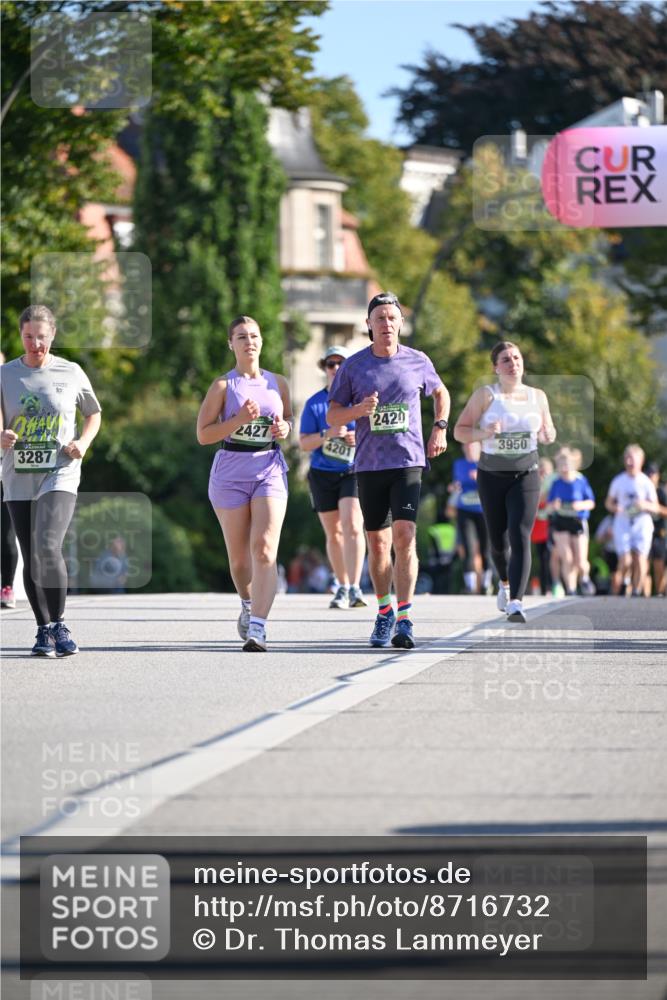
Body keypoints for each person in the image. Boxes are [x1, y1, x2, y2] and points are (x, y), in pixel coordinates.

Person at [327, 291, 450, 649]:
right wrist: (358, 410)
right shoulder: (353, 366)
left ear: (400, 323)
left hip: (408, 461)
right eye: (379, 318)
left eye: (392, 318)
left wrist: (439, 427)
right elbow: (334, 415)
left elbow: (441, 393)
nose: (386, 324)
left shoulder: (417, 361)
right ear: (368, 325)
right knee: (378, 545)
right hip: (369, 465)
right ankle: (384, 612)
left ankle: (405, 618)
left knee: (405, 535)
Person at [0, 305, 102, 655]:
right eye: (28, 336)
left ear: (53, 335)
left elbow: (93, 413)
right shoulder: (6, 374)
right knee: (30, 556)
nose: (35, 343)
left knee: (46, 545)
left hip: (60, 470)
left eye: (41, 336)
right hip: (17, 474)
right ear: (21, 336)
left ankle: (59, 624)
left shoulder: (71, 372)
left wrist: (83, 443)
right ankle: (42, 629)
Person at [197, 315, 291, 651]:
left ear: (261, 341)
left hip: (269, 468)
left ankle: (259, 628)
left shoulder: (277, 383)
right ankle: (248, 605)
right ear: (231, 344)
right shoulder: (223, 386)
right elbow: (204, 434)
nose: (249, 341)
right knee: (240, 561)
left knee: (264, 548)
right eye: (241, 336)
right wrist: (238, 420)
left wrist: (285, 429)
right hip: (230, 472)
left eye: (254, 336)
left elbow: (288, 419)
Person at [454, 340, 556, 623]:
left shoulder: (537, 396)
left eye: (517, 358)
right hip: (492, 475)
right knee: (499, 542)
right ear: (496, 367)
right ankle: (504, 581)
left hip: (526, 473)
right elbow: (460, 431)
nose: (513, 363)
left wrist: (549, 434)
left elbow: (549, 431)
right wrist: (483, 432)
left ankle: (516, 602)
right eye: (506, 360)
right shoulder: (486, 396)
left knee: (520, 534)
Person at [299, 345, 366, 610]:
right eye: (331, 363)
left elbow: (376, 435)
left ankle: (356, 587)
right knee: (334, 533)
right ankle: (341, 585)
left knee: (352, 525)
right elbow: (304, 443)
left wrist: (355, 437)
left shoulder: (358, 400)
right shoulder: (315, 403)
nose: (336, 368)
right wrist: (328, 434)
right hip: (322, 473)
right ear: (324, 368)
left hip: (353, 471)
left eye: (341, 363)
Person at [605, 445, 660, 598]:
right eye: (627, 458)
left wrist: (645, 505)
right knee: (626, 560)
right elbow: (608, 503)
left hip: (642, 523)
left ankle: (635, 591)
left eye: (633, 458)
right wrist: (616, 508)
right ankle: (623, 584)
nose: (629, 461)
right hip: (623, 523)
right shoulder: (618, 481)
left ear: (641, 461)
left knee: (641, 560)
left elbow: (656, 507)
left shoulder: (646, 482)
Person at [546, 449, 596, 595]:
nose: (563, 468)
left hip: (577, 521)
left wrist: (580, 505)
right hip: (560, 522)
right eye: (560, 464)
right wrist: (553, 505)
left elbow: (591, 503)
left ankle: (585, 578)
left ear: (573, 464)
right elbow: (548, 507)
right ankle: (571, 589)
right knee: (566, 558)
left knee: (580, 561)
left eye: (566, 464)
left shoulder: (581, 481)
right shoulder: (556, 483)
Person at [448, 440, 492, 595]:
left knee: (486, 549)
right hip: (465, 510)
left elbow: (495, 485)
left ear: (480, 448)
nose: (469, 448)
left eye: (473, 446)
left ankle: (486, 583)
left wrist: (480, 478)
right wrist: (453, 487)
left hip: (484, 511)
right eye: (467, 445)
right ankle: (470, 585)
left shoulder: (486, 463)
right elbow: (456, 483)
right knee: (467, 548)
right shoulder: (459, 464)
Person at [531, 457, 554, 596]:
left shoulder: (555, 486)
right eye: (541, 472)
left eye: (546, 473)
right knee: (541, 559)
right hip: (537, 530)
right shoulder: (533, 487)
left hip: (551, 528)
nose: (544, 476)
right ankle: (544, 588)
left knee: (551, 558)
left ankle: (553, 586)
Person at [646, 462, 667, 597]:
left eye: (653, 473)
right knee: (644, 564)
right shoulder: (641, 489)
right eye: (648, 473)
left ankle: (659, 592)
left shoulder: (660, 492)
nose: (650, 476)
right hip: (644, 532)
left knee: (659, 565)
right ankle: (643, 595)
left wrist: (655, 508)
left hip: (659, 533)